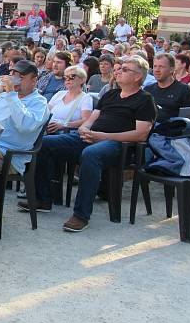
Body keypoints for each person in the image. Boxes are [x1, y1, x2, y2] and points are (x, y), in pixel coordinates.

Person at [29, 56, 156, 232]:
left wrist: (102, 136)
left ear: (138, 77)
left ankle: (81, 215)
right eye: (119, 68)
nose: (118, 71)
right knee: (44, 143)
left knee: (91, 155)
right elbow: (92, 119)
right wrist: (85, 129)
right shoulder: (110, 94)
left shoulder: (145, 99)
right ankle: (43, 198)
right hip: (92, 137)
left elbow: (141, 134)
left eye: (125, 69)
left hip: (119, 145)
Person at [0, 60, 49, 176]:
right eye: (13, 75)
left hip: (8, 154)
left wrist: (11, 94)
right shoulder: (3, 97)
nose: (15, 79)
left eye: (21, 77)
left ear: (34, 80)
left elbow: (25, 126)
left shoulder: (39, 103)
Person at [143, 53, 190, 122]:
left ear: (171, 69)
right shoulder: (148, 89)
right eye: (155, 66)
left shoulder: (184, 90)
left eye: (161, 67)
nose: (157, 70)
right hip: (148, 129)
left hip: (173, 130)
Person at [46, 66, 93, 134]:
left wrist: (64, 125)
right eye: (65, 77)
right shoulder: (59, 94)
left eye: (71, 76)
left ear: (82, 80)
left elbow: (86, 120)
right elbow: (46, 112)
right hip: (49, 130)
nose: (67, 79)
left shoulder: (86, 98)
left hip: (67, 133)